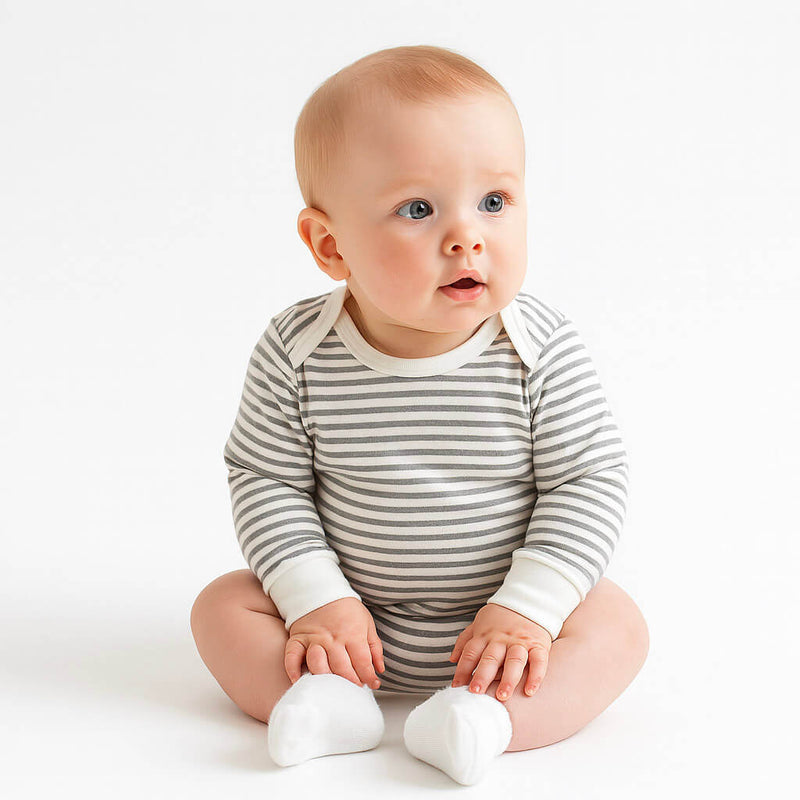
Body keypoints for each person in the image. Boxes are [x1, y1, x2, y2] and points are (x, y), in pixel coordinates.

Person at [190, 44, 649, 786]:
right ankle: (327, 703)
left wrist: (530, 608)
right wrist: (317, 600)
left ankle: (486, 719)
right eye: (417, 209)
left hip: (503, 629)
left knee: (617, 626)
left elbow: (588, 481)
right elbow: (265, 480)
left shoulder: (538, 347)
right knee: (222, 608)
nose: (468, 236)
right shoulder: (297, 349)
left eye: (494, 202)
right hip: (348, 626)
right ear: (330, 245)